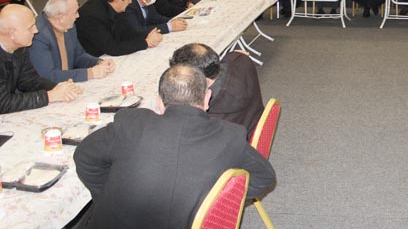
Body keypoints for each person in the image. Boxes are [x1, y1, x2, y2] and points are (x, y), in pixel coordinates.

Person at [74, 65, 275, 228]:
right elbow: (264, 177)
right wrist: (220, 204)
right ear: (207, 98)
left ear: (160, 102)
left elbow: (83, 155)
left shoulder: (131, 122)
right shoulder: (230, 135)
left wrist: (105, 193)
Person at [170, 43, 264, 140]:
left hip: (238, 141)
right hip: (254, 121)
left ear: (204, 80)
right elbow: (235, 55)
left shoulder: (209, 115)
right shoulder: (240, 59)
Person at [1, 4, 82, 114]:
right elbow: (3, 103)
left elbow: (29, 81)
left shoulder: (20, 48)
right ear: (12, 34)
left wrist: (58, 88)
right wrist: (49, 96)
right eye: (30, 28)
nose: (36, 31)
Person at [29, 0, 116, 83]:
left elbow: (78, 55)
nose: (78, 16)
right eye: (75, 12)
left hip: (67, 83)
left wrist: (98, 62)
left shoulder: (68, 25)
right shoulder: (38, 35)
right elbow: (49, 76)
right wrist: (89, 73)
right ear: (61, 17)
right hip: (50, 88)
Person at [76, 0, 163, 57]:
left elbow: (126, 33)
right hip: (91, 58)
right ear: (117, 0)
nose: (130, 2)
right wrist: (145, 42)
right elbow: (112, 47)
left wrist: (147, 36)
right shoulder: (92, 16)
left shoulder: (115, 8)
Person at [123, 0, 188, 36]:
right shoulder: (129, 6)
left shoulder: (147, 2)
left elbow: (156, 18)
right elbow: (139, 30)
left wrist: (171, 21)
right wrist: (169, 27)